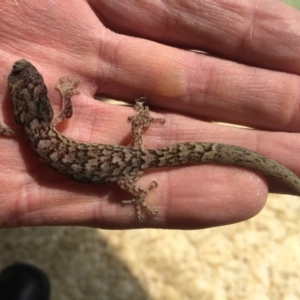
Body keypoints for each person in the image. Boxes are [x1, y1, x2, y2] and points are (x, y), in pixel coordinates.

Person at [0, 0, 300, 230]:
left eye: (31, 81)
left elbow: (17, 128)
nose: (26, 73)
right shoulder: (40, 128)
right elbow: (65, 111)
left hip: (126, 169)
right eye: (29, 81)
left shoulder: (23, 132)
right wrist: (67, 92)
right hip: (127, 164)